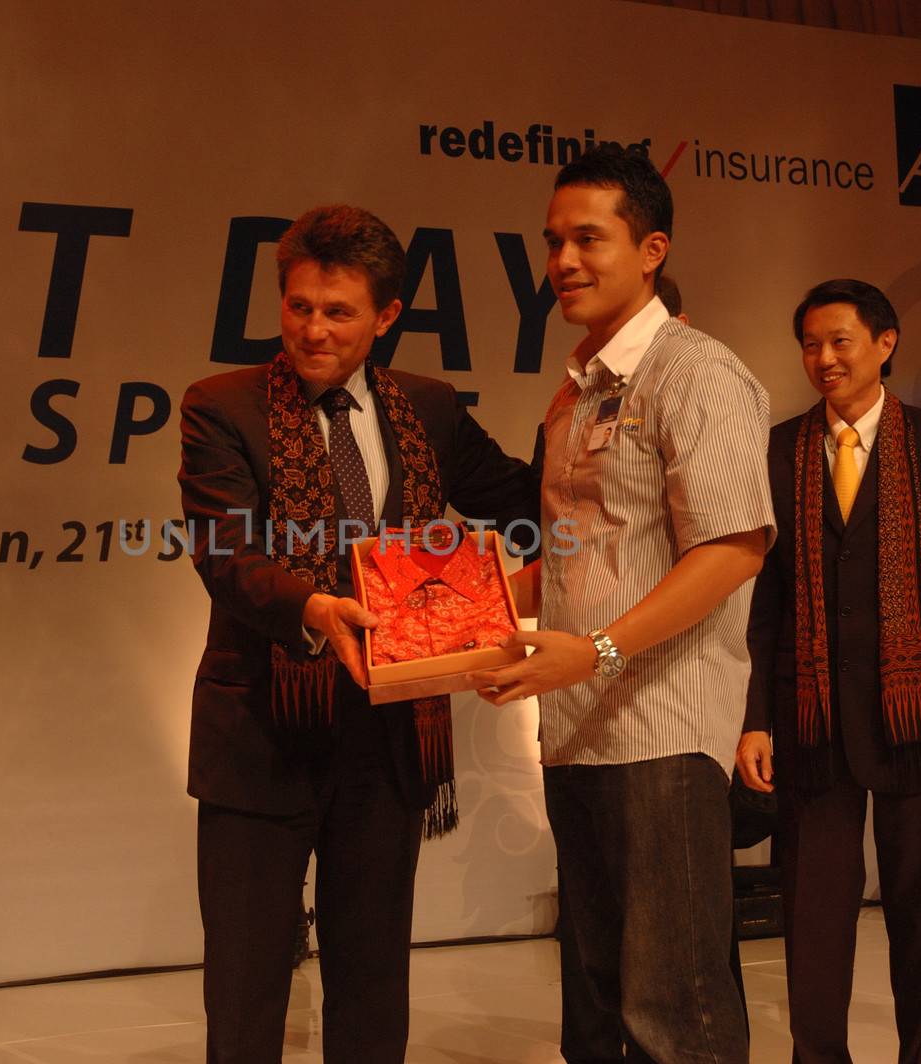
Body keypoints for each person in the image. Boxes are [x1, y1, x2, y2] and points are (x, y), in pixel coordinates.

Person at [178, 204, 536, 1063]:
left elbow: (526, 497)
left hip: (387, 731)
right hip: (261, 727)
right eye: (298, 306)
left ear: (385, 319)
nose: (312, 329)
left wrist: (502, 590)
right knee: (248, 982)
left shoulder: (430, 408)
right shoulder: (222, 405)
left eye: (338, 313)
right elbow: (225, 552)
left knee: (373, 979)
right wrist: (312, 609)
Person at [477, 144, 773, 1063]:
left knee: (673, 1013)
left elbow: (732, 546)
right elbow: (574, 552)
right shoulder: (570, 397)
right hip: (575, 731)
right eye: (554, 240)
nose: (563, 260)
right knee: (597, 1014)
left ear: (651, 250)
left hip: (663, 731)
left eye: (588, 239)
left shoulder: (695, 371)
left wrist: (597, 649)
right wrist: (462, 611)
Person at [736, 278, 921, 1063]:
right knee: (813, 919)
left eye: (840, 341)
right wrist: (755, 715)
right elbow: (761, 604)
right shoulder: (778, 449)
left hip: (918, 716)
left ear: (885, 344)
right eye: (811, 344)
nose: (823, 359)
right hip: (809, 717)